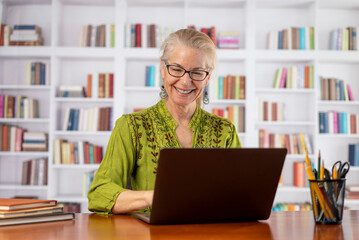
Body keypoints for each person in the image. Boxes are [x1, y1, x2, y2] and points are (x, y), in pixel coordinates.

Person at [88, 28, 242, 214]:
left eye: (197, 72)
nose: (185, 82)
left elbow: (240, 194)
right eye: (177, 69)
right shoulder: (130, 126)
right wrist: (154, 196)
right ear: (163, 69)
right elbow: (99, 194)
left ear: (208, 77)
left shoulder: (225, 130)